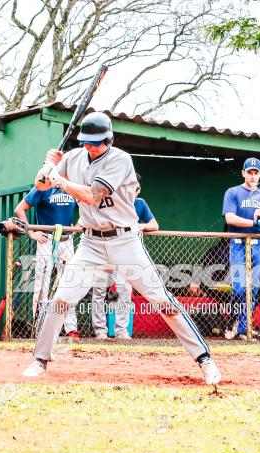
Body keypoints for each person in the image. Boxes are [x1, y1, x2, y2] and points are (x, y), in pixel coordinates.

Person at [17, 111, 220, 386]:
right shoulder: (74, 157)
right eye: (87, 141)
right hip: (90, 243)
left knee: (162, 300)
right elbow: (41, 185)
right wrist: (47, 167)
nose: (91, 146)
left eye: (96, 142)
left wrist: (59, 179)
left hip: (125, 241)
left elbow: (91, 195)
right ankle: (40, 360)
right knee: (61, 299)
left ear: (108, 139)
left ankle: (204, 359)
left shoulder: (120, 159)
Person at [91, 175, 159, 340]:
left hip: (125, 253)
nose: (131, 192)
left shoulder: (139, 203)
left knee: (125, 290)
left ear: (138, 189)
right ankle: (100, 331)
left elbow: (155, 225)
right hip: (104, 249)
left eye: (134, 188)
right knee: (99, 289)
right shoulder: (111, 200)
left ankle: (121, 330)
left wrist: (140, 226)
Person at [222, 157, 260, 340]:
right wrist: (254, 222)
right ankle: (233, 320)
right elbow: (230, 219)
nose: (253, 175)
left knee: (254, 289)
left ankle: (242, 329)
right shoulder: (233, 192)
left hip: (258, 246)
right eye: (250, 172)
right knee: (240, 288)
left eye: (256, 172)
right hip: (239, 244)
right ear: (243, 173)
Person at [13, 183, 79, 339]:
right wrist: (31, 231)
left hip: (66, 239)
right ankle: (41, 327)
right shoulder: (44, 186)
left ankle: (71, 329)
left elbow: (90, 206)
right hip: (46, 239)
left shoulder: (72, 186)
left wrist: (78, 226)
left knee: (69, 283)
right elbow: (19, 209)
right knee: (41, 286)